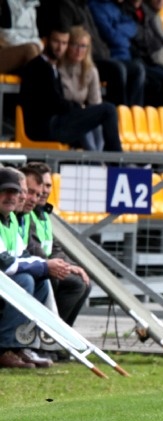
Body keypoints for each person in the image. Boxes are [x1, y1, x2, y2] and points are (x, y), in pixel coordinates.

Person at [0, 166, 68, 369]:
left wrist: (48, 267)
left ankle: (25, 345)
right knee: (26, 279)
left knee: (41, 280)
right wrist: (45, 265)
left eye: (15, 192)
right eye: (5, 192)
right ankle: (5, 348)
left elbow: (24, 255)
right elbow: (7, 264)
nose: (12, 197)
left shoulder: (10, 218)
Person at [18, 27, 123, 151]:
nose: (60, 47)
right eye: (56, 42)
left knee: (101, 113)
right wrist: (78, 107)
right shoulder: (39, 66)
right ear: (45, 41)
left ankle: (101, 160)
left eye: (64, 43)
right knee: (108, 110)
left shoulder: (52, 67)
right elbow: (53, 102)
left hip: (56, 122)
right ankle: (116, 161)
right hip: (47, 127)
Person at [19, 162, 91, 327]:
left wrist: (67, 265)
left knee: (83, 282)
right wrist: (55, 266)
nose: (44, 191)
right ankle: (48, 335)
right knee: (60, 279)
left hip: (38, 263)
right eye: (40, 187)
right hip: (33, 265)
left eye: (48, 186)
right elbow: (33, 248)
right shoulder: (25, 213)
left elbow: (55, 248)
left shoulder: (44, 214)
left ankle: (60, 339)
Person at [36, 0, 144, 106]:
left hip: (101, 54)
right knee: (118, 69)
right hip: (86, 56)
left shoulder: (84, 5)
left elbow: (97, 35)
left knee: (137, 69)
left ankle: (132, 115)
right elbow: (65, 37)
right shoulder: (65, 6)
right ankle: (119, 113)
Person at [122, 0, 163, 107]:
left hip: (149, 58)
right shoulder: (123, 10)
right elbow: (135, 36)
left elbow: (156, 38)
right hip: (136, 59)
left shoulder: (146, 11)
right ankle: (153, 114)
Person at [58, 26, 104, 151]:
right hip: (63, 119)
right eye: (75, 45)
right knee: (83, 122)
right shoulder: (57, 68)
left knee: (97, 119)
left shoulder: (91, 70)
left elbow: (96, 104)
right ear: (68, 46)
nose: (79, 50)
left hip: (81, 115)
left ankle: (98, 157)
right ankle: (96, 160)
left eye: (83, 46)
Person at [0, 0, 41, 74]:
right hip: (4, 51)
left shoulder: (32, 5)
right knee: (30, 50)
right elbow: (7, 38)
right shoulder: (7, 3)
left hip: (21, 53)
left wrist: (37, 45)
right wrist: (31, 44)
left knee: (49, 55)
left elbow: (35, 35)